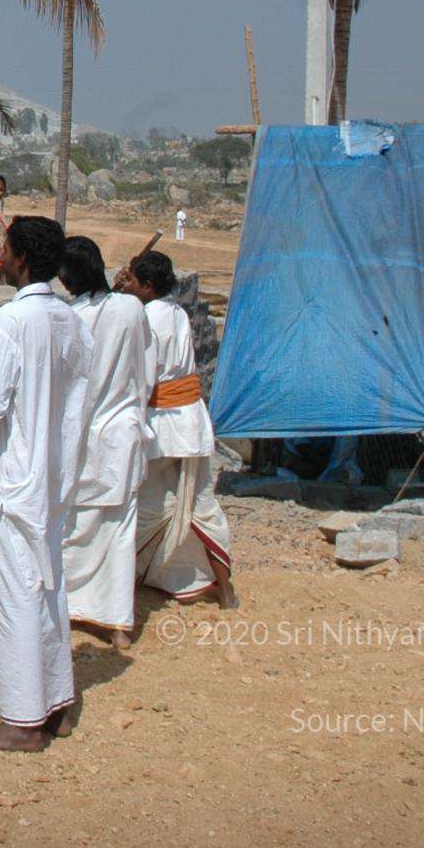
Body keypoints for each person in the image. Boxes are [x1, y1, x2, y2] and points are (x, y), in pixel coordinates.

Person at [0, 215, 90, 751]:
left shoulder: (9, 320)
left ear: (22, 259)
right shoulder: (71, 320)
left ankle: (22, 721)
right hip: (53, 474)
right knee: (48, 586)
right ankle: (57, 703)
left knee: (13, 599)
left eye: (5, 249)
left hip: (14, 477)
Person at [57, 234, 152, 649]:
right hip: (122, 433)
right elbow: (144, 359)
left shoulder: (69, 318)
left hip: (82, 436)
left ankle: (66, 604)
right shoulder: (131, 308)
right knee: (119, 530)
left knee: (74, 523)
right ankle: (118, 625)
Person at [128, 250, 237, 609]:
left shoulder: (146, 319)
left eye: (134, 281)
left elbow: (144, 379)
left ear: (147, 285)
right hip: (192, 420)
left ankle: (125, 583)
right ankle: (225, 590)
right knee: (203, 504)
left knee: (138, 502)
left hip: (164, 424)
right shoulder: (177, 312)